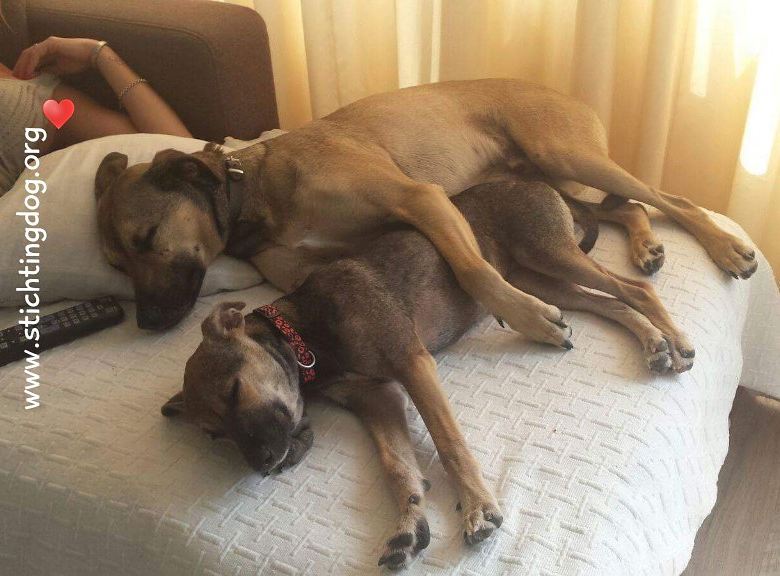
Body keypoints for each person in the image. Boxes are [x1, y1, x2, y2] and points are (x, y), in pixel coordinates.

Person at [0, 35, 192, 193]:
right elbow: (185, 157)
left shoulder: (30, 95)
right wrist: (99, 54)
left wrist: (97, 53)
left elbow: (185, 155)